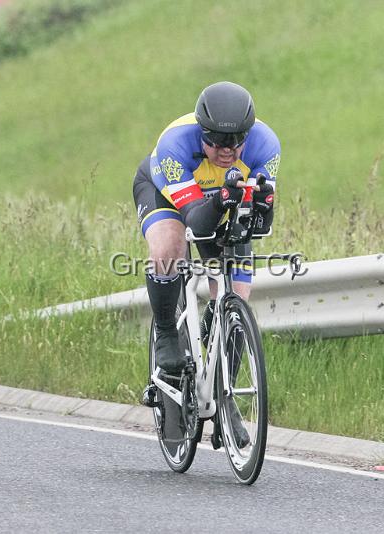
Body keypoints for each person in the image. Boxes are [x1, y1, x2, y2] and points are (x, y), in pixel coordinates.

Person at [132, 81, 280, 446]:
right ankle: (167, 331)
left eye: (235, 141)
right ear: (201, 132)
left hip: (222, 201)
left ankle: (222, 391)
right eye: (215, 140)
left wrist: (260, 204)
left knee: (238, 294)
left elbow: (261, 225)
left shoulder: (266, 143)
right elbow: (196, 225)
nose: (226, 150)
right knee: (170, 246)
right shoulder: (175, 144)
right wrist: (221, 201)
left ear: (249, 133)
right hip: (168, 195)